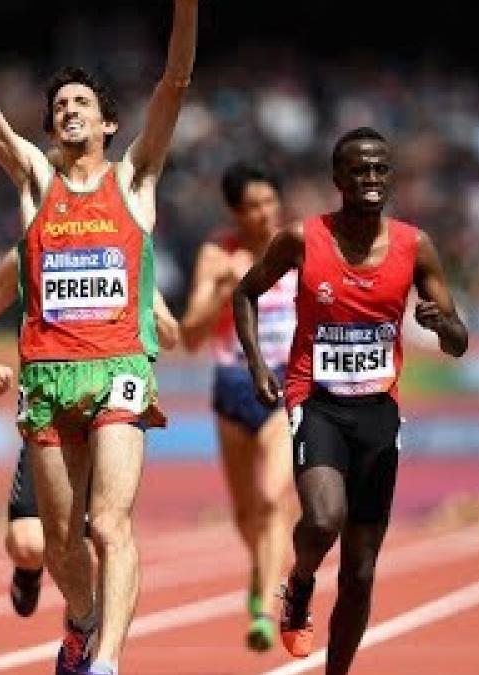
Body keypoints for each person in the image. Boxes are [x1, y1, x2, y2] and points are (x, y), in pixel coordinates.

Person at [0, 1, 197, 669]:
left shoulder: (135, 178)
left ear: (108, 122)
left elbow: (175, 80)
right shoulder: (37, 181)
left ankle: (107, 661)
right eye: (60, 101)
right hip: (46, 374)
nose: (69, 108)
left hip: (118, 364)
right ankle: (85, 617)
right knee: (61, 541)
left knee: (109, 524)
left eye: (82, 101)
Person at [233, 127, 468, 674]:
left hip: (378, 411)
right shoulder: (301, 239)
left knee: (361, 570)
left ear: (390, 177)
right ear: (338, 179)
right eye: (358, 170)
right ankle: (299, 582)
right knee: (323, 517)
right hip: (315, 399)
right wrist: (256, 365)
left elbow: (459, 343)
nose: (370, 179)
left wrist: (441, 325)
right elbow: (245, 291)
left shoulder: (416, 247)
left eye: (380, 169)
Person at [0, 248, 180, 618]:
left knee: (103, 535)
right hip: (53, 410)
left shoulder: (124, 251)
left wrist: (149, 311)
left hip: (109, 410)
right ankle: (29, 573)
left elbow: (172, 334)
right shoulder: (33, 248)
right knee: (29, 544)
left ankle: (85, 635)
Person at [179, 161, 298, 651]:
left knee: (273, 497)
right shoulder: (217, 253)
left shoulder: (297, 248)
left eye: (270, 202)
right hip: (233, 385)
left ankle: (266, 609)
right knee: (246, 514)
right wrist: (225, 289)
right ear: (234, 211)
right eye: (252, 206)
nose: (264, 213)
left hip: (287, 384)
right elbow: (189, 336)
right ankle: (262, 566)